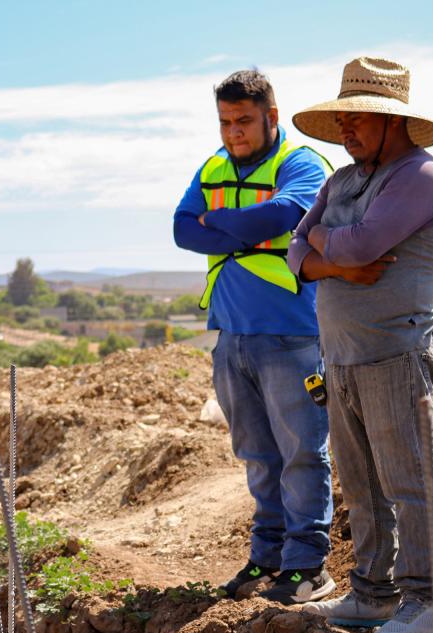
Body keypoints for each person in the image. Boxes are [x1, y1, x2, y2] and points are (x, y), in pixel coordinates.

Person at [287, 58, 433, 633]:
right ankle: (373, 594)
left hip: (395, 354)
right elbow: (295, 255)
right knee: (361, 487)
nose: (347, 132)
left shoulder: (420, 177)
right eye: (343, 121)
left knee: (408, 484)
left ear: (393, 121)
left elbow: (361, 248)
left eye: (358, 119)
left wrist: (325, 249)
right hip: (342, 357)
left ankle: (431, 606)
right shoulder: (341, 180)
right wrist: (329, 258)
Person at [173, 69, 335, 605]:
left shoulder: (302, 163)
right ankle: (267, 558)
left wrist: (219, 226)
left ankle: (307, 565)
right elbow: (180, 229)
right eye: (225, 122)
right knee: (259, 456)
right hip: (232, 337)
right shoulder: (214, 165)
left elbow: (287, 213)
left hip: (293, 335)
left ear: (270, 117)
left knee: (302, 454)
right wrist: (248, 227)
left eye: (243, 121)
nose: (233, 133)